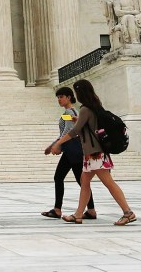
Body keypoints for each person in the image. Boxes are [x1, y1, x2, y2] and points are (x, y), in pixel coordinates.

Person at [47, 79, 136, 225]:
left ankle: (128, 212)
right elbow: (86, 125)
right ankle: (78, 214)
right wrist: (78, 119)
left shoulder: (85, 109)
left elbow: (74, 131)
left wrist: (58, 143)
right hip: (91, 154)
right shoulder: (93, 107)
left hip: (95, 153)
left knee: (109, 183)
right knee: (85, 182)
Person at [41, 87, 96, 220]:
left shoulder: (70, 112)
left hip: (72, 150)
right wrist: (52, 145)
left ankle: (58, 209)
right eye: (58, 97)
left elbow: (69, 132)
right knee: (80, 180)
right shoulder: (69, 112)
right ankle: (90, 210)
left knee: (68, 178)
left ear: (69, 97)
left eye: (61, 96)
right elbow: (66, 130)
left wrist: (57, 145)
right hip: (72, 150)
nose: (59, 99)